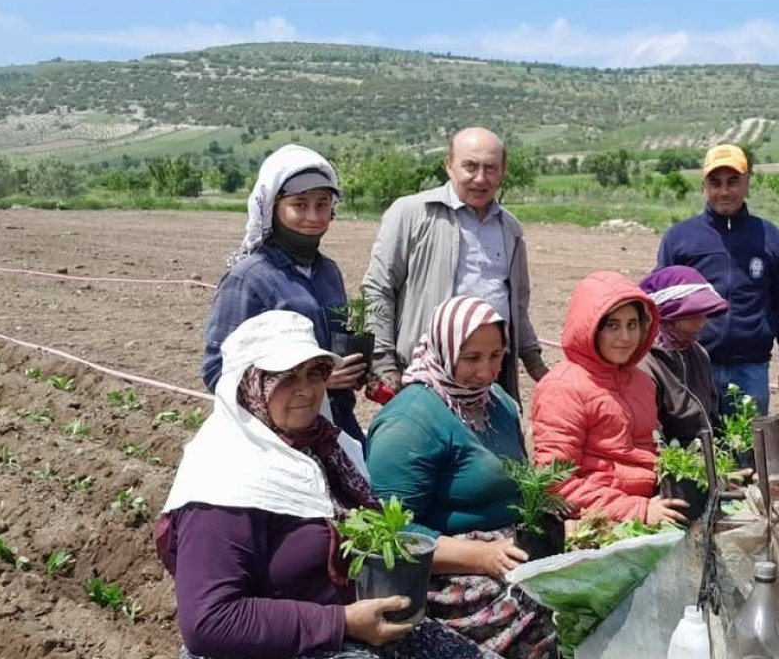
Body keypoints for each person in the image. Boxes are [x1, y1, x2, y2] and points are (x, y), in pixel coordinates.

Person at [159, 310, 495, 659]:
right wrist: (342, 621)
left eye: (315, 373)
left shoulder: (323, 449)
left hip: (349, 625)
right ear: (251, 385)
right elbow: (210, 622)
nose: (306, 390)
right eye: (286, 378)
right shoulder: (225, 479)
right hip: (272, 646)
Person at [365, 296, 555, 659]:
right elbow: (391, 533)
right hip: (445, 576)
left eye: (496, 355)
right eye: (471, 358)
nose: (486, 371)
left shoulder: (496, 402)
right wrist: (481, 555)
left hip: (506, 553)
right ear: (444, 349)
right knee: (543, 613)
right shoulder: (409, 422)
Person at [362, 128, 547, 401]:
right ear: (449, 165)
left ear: (503, 171)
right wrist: (383, 362)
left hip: (492, 371)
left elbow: (517, 304)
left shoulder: (510, 227)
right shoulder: (411, 213)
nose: (480, 178)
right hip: (428, 372)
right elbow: (378, 288)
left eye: (491, 168)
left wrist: (535, 363)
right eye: (470, 166)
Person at [202, 144, 368, 447]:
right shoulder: (249, 278)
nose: (313, 216)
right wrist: (315, 383)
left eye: (322, 204)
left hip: (337, 426)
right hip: (278, 439)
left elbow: (331, 342)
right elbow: (217, 372)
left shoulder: (328, 272)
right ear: (272, 208)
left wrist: (353, 366)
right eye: (299, 205)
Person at [655, 144, 779, 417]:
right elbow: (660, 304)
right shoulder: (679, 239)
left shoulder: (769, 237)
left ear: (747, 183)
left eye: (733, 181)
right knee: (696, 441)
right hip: (693, 366)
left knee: (748, 442)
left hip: (751, 369)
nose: (724, 191)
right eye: (715, 183)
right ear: (704, 186)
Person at [531, 271, 688, 524]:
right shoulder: (562, 388)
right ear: (591, 329)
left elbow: (646, 455)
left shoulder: (641, 382)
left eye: (632, 325)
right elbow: (554, 484)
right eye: (613, 326)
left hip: (648, 504)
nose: (625, 337)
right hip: (597, 521)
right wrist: (637, 510)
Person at [637, 266, 729, 445]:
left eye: (704, 314)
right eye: (693, 315)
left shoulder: (698, 354)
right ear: (667, 317)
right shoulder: (645, 366)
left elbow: (712, 416)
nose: (702, 322)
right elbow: (652, 438)